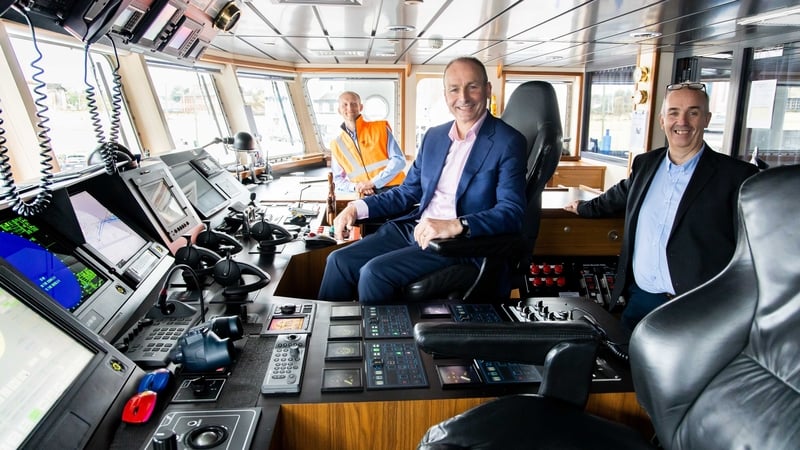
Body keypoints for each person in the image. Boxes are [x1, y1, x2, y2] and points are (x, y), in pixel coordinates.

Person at [318, 57, 527, 304]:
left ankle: (383, 332)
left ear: (487, 89)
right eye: (454, 89)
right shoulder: (434, 136)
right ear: (445, 94)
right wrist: (356, 208)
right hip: (414, 228)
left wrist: (457, 224)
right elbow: (407, 192)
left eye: (472, 87)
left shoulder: (508, 141)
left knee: (374, 273)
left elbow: (511, 212)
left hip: (458, 242)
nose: (463, 97)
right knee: (339, 260)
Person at [564, 82, 759, 331]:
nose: (682, 122)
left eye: (693, 112)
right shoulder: (645, 164)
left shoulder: (738, 176)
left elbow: (754, 249)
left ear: (707, 119)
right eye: (674, 112)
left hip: (699, 307)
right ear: (662, 120)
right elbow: (620, 194)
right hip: (642, 299)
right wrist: (584, 207)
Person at [330, 91, 406, 196]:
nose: (350, 108)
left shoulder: (380, 129)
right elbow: (337, 180)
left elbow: (399, 160)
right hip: (363, 193)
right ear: (339, 110)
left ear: (361, 107)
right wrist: (357, 186)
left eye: (354, 104)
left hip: (394, 188)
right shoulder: (336, 145)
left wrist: (372, 183)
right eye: (345, 105)